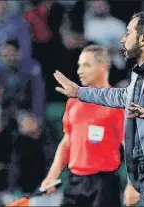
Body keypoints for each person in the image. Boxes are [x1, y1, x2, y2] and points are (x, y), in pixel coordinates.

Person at [53, 12, 144, 206]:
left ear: (143, 39)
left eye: (128, 33)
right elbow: (120, 96)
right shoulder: (140, 72)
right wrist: (79, 92)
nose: (122, 39)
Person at [40, 45, 125, 206]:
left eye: (86, 65)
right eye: (79, 65)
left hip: (104, 183)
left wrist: (133, 185)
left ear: (103, 67)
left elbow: (128, 144)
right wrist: (52, 176)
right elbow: (67, 141)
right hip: (74, 182)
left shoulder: (116, 102)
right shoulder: (73, 101)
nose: (80, 71)